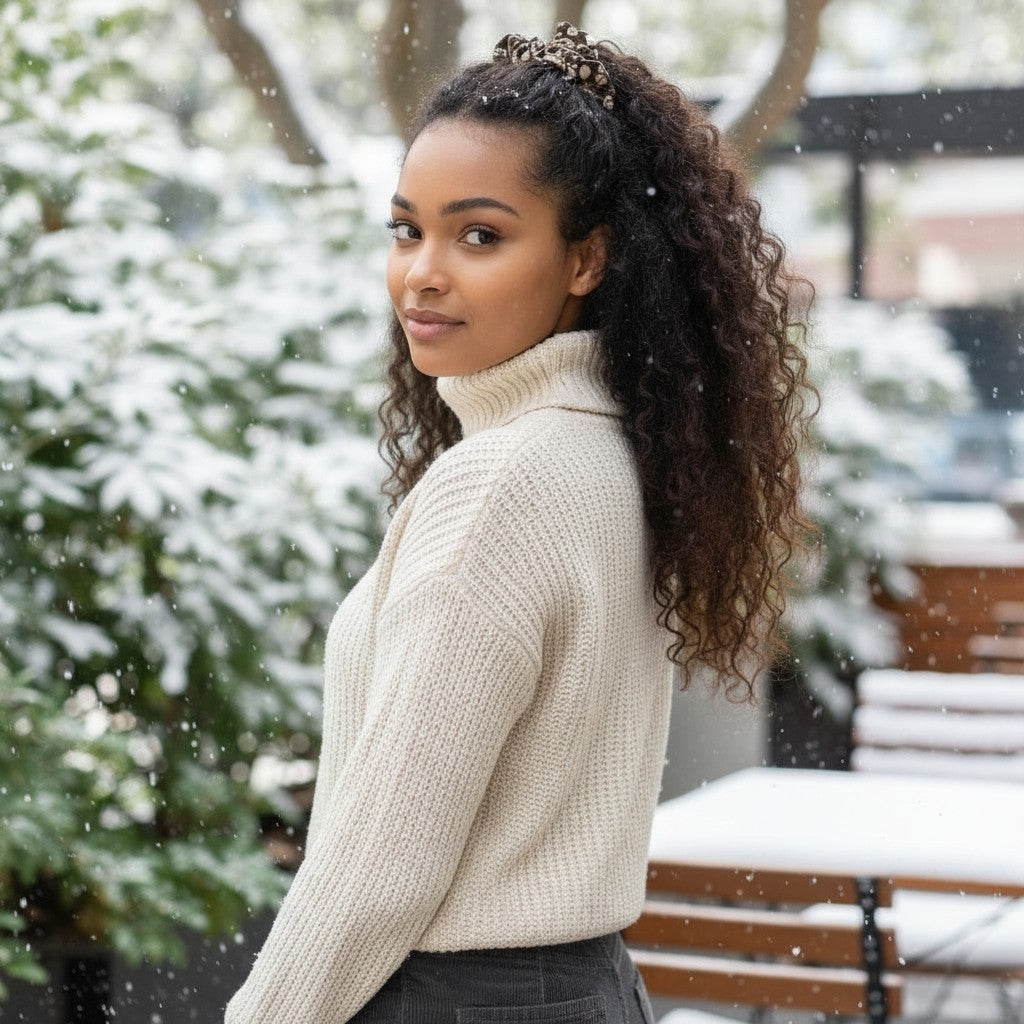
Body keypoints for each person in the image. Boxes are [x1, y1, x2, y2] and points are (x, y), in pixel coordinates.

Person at [225, 21, 813, 1024]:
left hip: (452, 997)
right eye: (406, 229)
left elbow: (381, 864)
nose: (423, 271)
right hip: (577, 988)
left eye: (480, 235)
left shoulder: (502, 486)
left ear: (588, 258)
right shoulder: (609, 454)